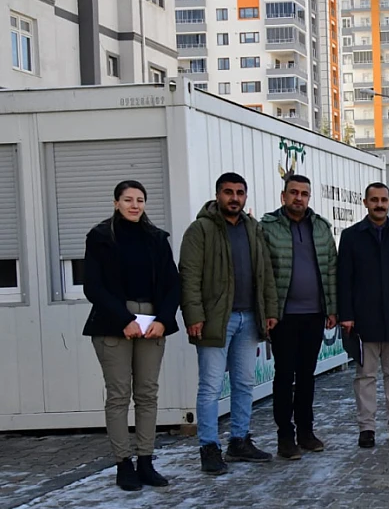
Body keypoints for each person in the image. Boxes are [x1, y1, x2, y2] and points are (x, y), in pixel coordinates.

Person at [83, 180, 180, 491]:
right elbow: (93, 286)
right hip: (114, 323)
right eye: (128, 199)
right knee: (119, 395)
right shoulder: (100, 237)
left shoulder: (156, 238)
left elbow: (172, 283)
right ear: (116, 203)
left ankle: (146, 461)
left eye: (140, 199)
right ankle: (123, 464)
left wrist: (164, 319)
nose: (134, 205)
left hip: (152, 323)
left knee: (148, 393)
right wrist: (123, 318)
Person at [180, 172, 279, 475]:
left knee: (244, 383)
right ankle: (209, 447)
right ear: (217, 195)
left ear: (245, 196)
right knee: (210, 386)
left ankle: (239, 440)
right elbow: (189, 276)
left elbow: (265, 273)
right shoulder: (200, 230)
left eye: (239, 192)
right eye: (228, 192)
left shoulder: (253, 229)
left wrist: (270, 310)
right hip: (215, 320)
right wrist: (194, 316)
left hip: (249, 318)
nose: (234, 198)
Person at [259, 174, 338, 460]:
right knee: (284, 376)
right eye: (294, 193)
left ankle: (306, 432)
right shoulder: (267, 227)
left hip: (314, 314)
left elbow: (331, 268)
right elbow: (263, 272)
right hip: (283, 317)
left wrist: (332, 308)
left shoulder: (320, 227)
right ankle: (285, 437)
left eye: (304, 193)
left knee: (307, 376)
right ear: (283, 196)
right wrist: (268, 311)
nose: (299, 198)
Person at [337, 182, 389, 449]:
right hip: (364, 319)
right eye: (374, 200)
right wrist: (346, 315)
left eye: (384, 199)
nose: (379, 204)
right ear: (365, 202)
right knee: (365, 377)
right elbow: (344, 279)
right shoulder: (351, 236)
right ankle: (367, 429)